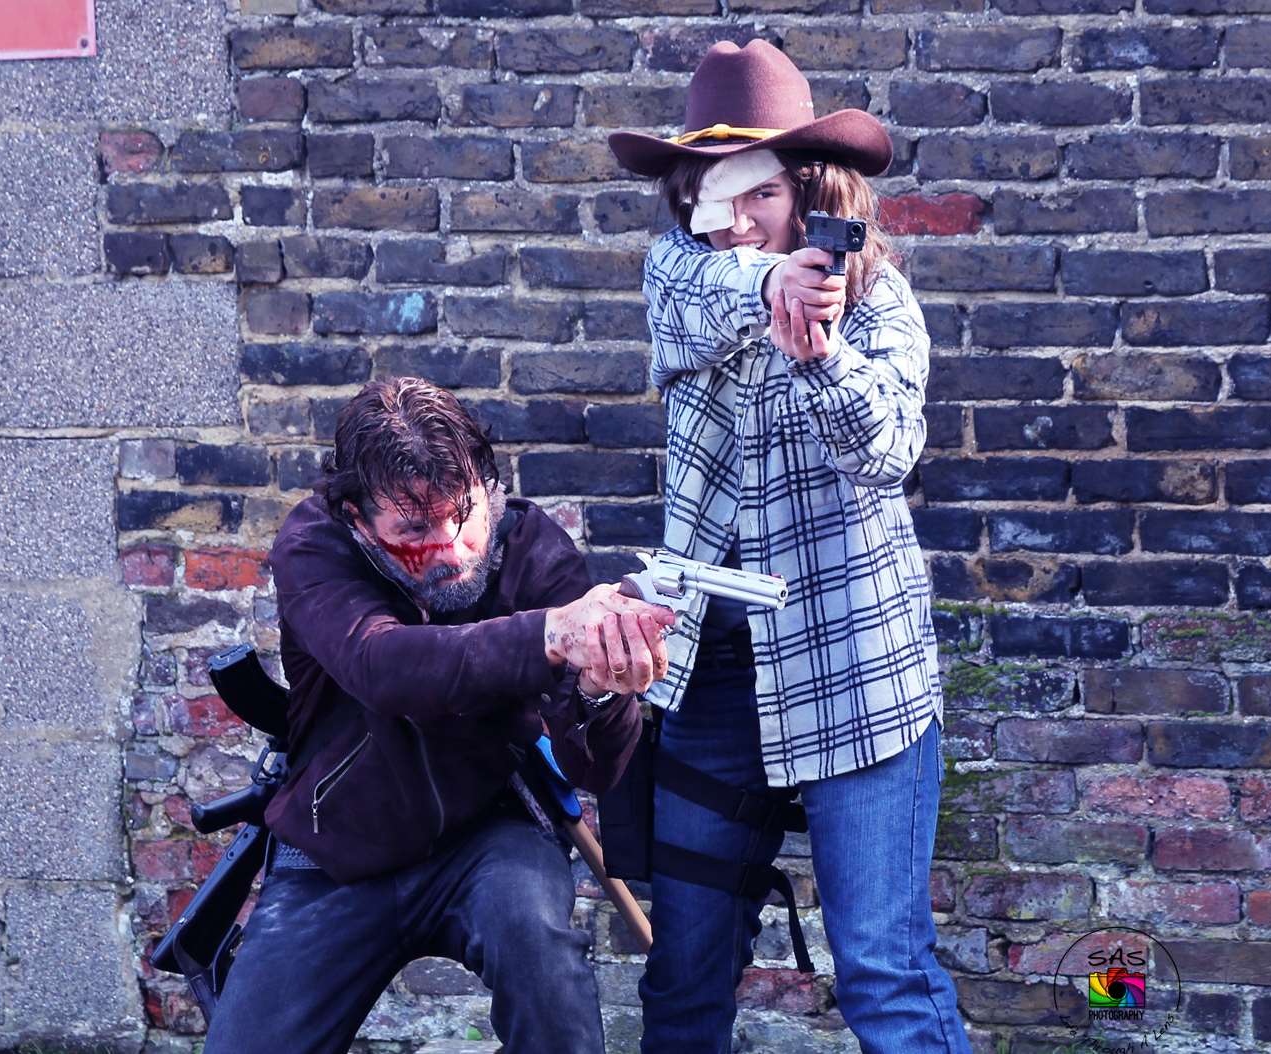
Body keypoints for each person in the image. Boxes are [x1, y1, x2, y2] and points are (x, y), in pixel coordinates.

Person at [608, 39, 973, 1054]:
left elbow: (888, 452)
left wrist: (818, 356)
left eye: (753, 193)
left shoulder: (881, 304)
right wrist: (773, 285)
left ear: (810, 189)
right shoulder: (682, 272)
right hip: (715, 671)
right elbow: (703, 286)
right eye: (703, 193)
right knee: (682, 973)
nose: (722, 218)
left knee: (882, 971)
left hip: (855, 668)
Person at [202, 377, 677, 1054]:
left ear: (486, 484)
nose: (450, 549)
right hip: (336, 844)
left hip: (489, 831)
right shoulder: (315, 546)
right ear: (359, 520)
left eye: (463, 514)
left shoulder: (532, 550)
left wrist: (604, 693)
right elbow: (385, 667)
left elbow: (598, 768)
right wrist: (548, 636)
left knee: (540, 954)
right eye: (414, 529)